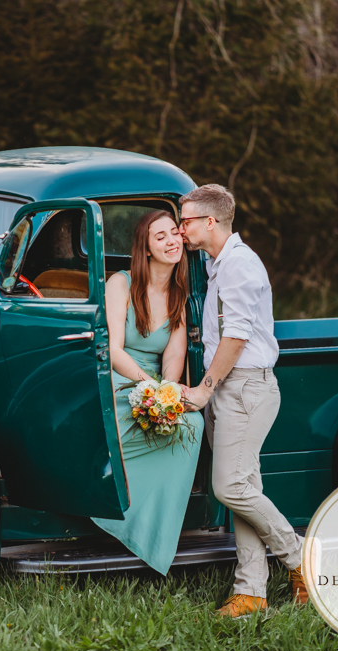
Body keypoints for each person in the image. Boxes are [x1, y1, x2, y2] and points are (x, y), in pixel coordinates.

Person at [177, 184, 308, 618]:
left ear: (209, 222)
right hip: (232, 387)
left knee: (228, 487)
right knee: (244, 489)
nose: (181, 228)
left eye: (186, 220)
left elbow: (235, 336)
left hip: (246, 388)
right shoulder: (218, 264)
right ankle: (251, 591)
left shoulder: (239, 265)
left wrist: (203, 390)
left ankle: (302, 557)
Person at [91, 209, 204, 576]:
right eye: (161, 237)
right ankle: (111, 512)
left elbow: (174, 352)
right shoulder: (120, 284)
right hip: (120, 376)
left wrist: (167, 392)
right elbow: (113, 350)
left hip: (154, 381)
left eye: (175, 233)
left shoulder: (180, 294)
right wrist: (148, 386)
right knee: (123, 423)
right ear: (146, 248)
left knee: (191, 425)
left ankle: (152, 532)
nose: (172, 241)